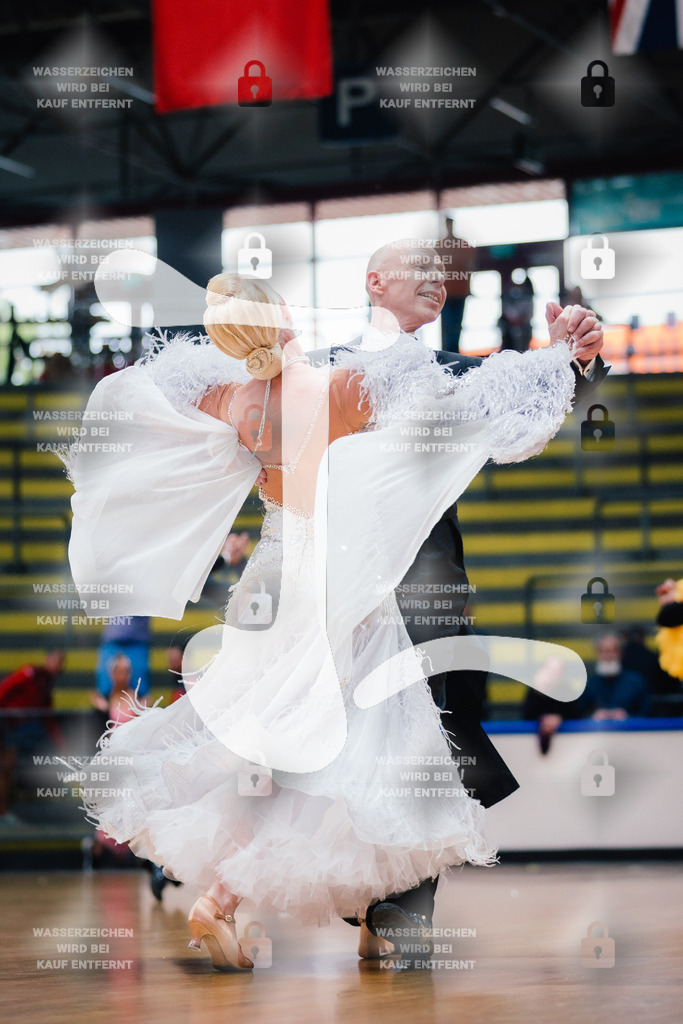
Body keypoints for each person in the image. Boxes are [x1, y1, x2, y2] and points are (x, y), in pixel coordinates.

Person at [62, 270, 585, 973]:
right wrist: (552, 357)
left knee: (269, 739)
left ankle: (286, 906)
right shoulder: (344, 388)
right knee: (361, 752)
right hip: (342, 583)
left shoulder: (228, 399)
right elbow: (470, 405)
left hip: (269, 583)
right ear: (281, 313)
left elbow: (159, 396)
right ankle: (268, 902)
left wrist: (225, 347)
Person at [310, 238, 607, 943]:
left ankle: (403, 912)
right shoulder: (316, 373)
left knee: (423, 746)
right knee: (335, 745)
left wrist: (577, 355)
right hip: (335, 594)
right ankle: (357, 892)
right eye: (420, 272)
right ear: (374, 281)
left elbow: (534, 392)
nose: (438, 284)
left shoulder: (449, 374)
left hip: (423, 598)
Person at [0, 650, 65, 825]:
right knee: (6, 768)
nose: (59, 665)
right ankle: (4, 810)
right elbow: (5, 688)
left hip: (23, 730)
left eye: (62, 662)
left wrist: (60, 745)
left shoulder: (46, 684)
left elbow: (48, 717)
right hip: (9, 727)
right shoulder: (32, 673)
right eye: (57, 660)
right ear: (48, 659)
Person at [435, 217, 475, 353]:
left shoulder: (462, 245)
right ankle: (449, 352)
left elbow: (469, 268)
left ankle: (453, 352)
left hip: (459, 292)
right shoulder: (439, 246)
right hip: (445, 294)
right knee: (448, 326)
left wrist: (469, 287)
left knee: (456, 325)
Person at [95, 616, 151, 700]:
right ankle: (109, 711)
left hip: (137, 641)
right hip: (112, 640)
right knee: (104, 690)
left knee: (140, 691)